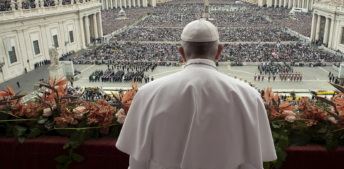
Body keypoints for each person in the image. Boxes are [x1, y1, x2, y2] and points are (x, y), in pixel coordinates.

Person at [116, 19, 276, 169]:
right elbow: (251, 163)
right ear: (219, 51)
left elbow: (137, 163)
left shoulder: (147, 93)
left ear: (181, 53)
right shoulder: (249, 96)